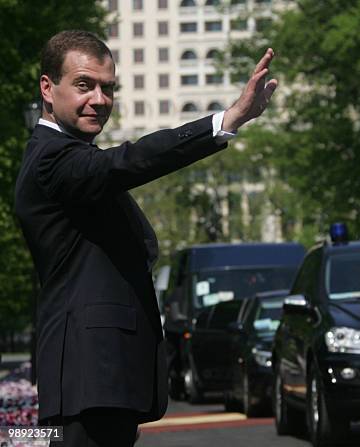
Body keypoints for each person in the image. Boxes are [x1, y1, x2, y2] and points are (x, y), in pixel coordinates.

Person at [14, 29, 277, 446]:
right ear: (47, 88)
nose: (99, 100)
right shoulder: (52, 158)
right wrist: (226, 121)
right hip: (89, 378)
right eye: (84, 85)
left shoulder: (69, 157)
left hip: (99, 380)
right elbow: (130, 161)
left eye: (108, 88)